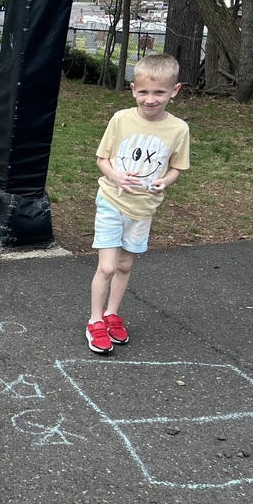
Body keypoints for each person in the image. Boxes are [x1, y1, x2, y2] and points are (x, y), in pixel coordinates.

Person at [86, 53, 190, 353]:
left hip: (144, 209)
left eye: (159, 92)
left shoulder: (179, 129)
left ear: (174, 90)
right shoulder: (121, 119)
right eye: (143, 92)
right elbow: (102, 159)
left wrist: (165, 181)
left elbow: (177, 168)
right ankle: (94, 320)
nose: (150, 99)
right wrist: (116, 177)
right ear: (133, 89)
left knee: (125, 264)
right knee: (106, 266)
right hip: (111, 201)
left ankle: (111, 314)